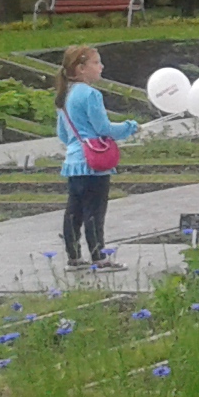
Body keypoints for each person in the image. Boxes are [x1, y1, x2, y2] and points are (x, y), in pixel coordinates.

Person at [55, 44, 139, 270]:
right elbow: (103, 128)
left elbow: (63, 133)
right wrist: (129, 127)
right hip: (94, 162)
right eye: (96, 62)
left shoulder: (64, 95)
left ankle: (74, 257)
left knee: (74, 211)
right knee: (95, 211)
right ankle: (99, 256)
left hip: (73, 161)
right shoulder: (91, 94)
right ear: (81, 68)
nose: (101, 67)